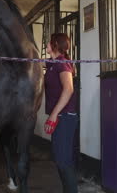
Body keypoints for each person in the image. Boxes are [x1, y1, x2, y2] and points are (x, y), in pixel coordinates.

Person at [44, 33, 78, 193]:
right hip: (61, 116)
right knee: (60, 159)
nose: (46, 44)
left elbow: (69, 89)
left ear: (55, 44)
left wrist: (53, 114)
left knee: (63, 161)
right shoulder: (53, 63)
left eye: (49, 42)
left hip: (65, 117)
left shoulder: (62, 64)